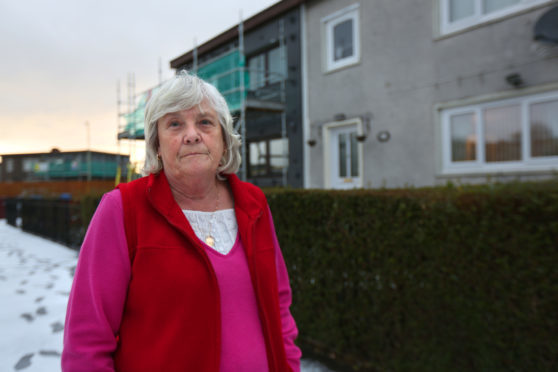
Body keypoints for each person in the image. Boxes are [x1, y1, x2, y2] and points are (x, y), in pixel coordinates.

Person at [62, 71, 301, 371]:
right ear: (157, 145)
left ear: (224, 141)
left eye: (204, 122)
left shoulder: (254, 204)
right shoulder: (123, 209)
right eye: (175, 124)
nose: (192, 134)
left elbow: (279, 309)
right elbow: (86, 340)